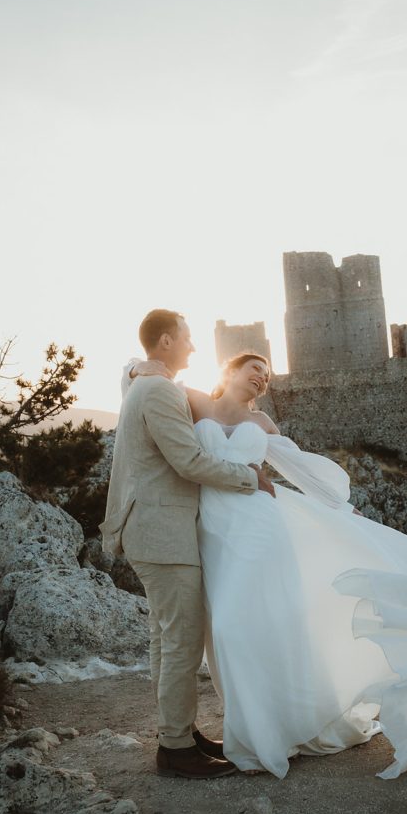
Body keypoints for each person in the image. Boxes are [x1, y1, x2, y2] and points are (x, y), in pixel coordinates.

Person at [124, 349, 407, 780]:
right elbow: (142, 379)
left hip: (259, 528)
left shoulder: (262, 424)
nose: (262, 378)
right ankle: (226, 729)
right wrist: (137, 366)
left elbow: (300, 470)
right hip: (212, 533)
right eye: (254, 369)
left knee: (256, 624)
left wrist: (342, 509)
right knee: (224, 629)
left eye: (267, 375)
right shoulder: (195, 402)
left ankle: (272, 730)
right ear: (231, 370)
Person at [101, 310, 276, 781]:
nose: (194, 348)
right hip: (161, 533)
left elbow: (132, 373)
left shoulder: (145, 382)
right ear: (164, 342)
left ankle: (177, 732)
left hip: (155, 530)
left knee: (166, 635)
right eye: (187, 339)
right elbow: (187, 460)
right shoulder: (156, 390)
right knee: (182, 638)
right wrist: (249, 479)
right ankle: (176, 748)